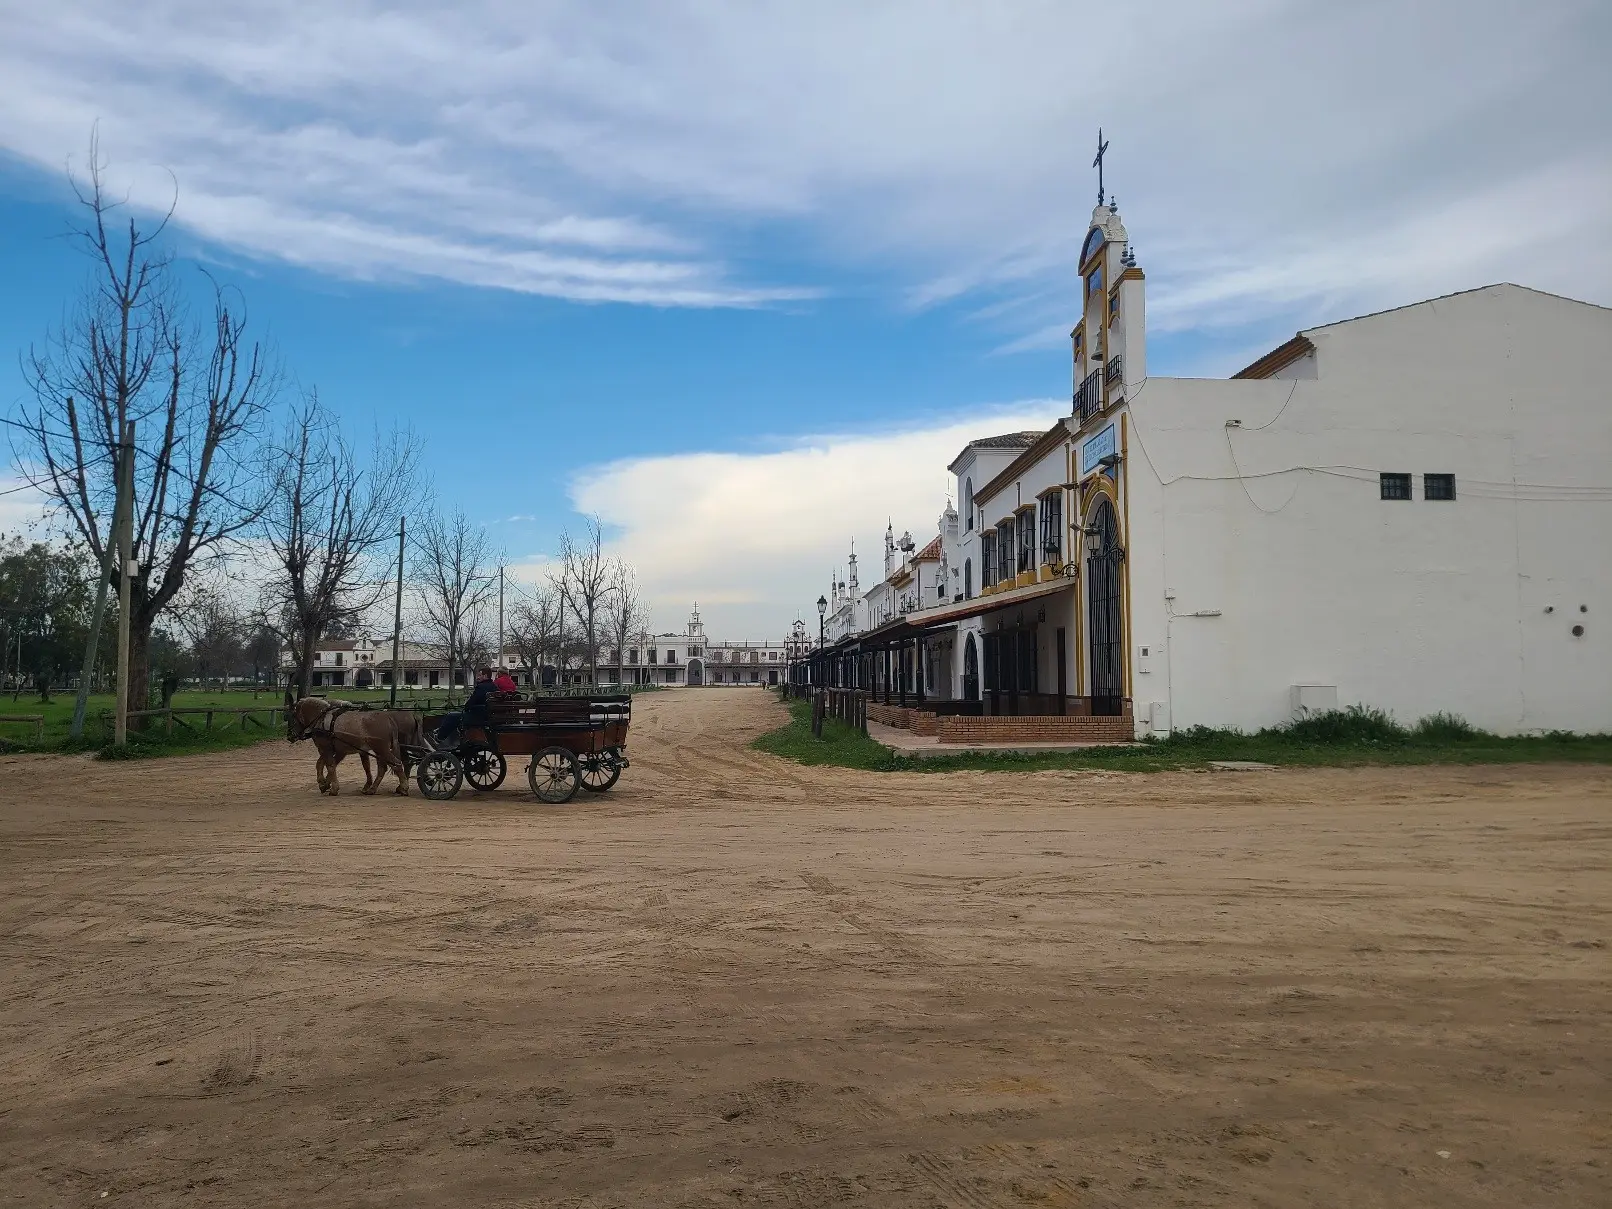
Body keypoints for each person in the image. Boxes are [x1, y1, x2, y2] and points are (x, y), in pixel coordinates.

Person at [434, 667, 497, 746]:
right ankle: (439, 730)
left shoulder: (481, 687)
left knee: (451, 715)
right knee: (455, 715)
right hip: (487, 715)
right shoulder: (494, 687)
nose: (477, 677)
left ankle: (439, 737)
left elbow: (470, 703)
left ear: (485, 676)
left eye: (480, 675)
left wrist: (466, 707)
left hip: (477, 717)